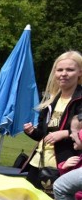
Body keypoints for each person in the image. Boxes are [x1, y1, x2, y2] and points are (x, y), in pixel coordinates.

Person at [22, 51, 82, 189]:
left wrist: (65, 133)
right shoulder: (51, 101)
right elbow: (44, 135)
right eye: (60, 70)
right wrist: (31, 131)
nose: (63, 74)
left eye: (70, 70)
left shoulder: (80, 99)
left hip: (66, 163)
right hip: (39, 163)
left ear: (79, 72)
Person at [53, 114, 82, 200]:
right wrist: (64, 168)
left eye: (73, 132)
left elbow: (61, 187)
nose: (70, 135)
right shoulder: (78, 158)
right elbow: (68, 183)